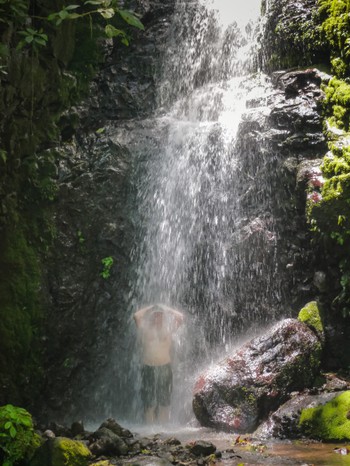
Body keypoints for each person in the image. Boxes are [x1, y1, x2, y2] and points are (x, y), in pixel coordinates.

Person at [134, 303, 184, 423]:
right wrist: (150, 307)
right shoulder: (144, 329)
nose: (157, 317)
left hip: (165, 366)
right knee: (148, 400)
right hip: (148, 366)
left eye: (160, 315)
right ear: (151, 317)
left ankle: (164, 428)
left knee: (165, 400)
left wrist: (167, 308)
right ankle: (149, 429)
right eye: (155, 315)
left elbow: (180, 317)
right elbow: (136, 316)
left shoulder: (168, 330)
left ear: (163, 317)